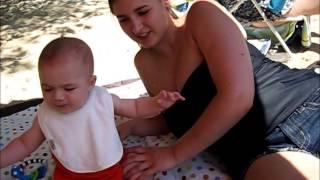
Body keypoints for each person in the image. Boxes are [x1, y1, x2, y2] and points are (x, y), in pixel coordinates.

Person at [108, 0, 320, 179]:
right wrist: (132, 126)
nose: (135, 28)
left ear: (164, 2)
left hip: (300, 111)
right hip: (253, 153)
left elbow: (238, 97)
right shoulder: (144, 62)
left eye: (143, 12)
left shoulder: (201, 15)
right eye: (123, 19)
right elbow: (177, 116)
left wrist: (173, 154)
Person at [0, 37, 185, 180]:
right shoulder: (45, 113)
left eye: (68, 88)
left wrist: (156, 104)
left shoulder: (102, 100)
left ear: (91, 83)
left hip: (107, 168)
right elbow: (24, 143)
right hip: (68, 170)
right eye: (47, 88)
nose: (57, 96)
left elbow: (135, 107)